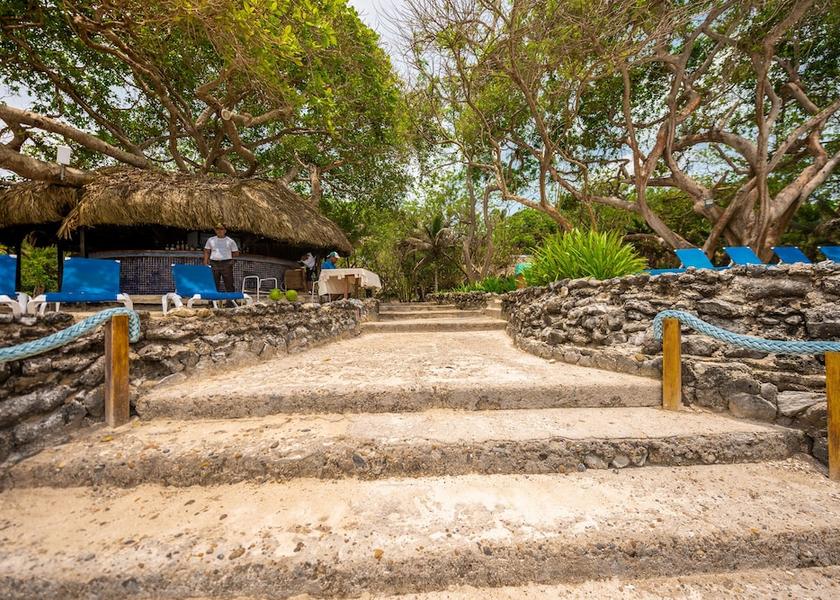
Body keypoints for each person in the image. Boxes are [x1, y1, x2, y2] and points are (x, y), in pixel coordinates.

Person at [203, 223, 240, 295]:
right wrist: (205, 261)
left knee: (229, 283)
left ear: (225, 231)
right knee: (213, 283)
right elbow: (206, 251)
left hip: (227, 263)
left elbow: (236, 253)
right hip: (214, 263)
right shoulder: (210, 240)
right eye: (217, 229)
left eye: (221, 229)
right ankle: (213, 302)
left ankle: (231, 302)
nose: (219, 231)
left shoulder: (230, 241)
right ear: (215, 230)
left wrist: (226, 256)